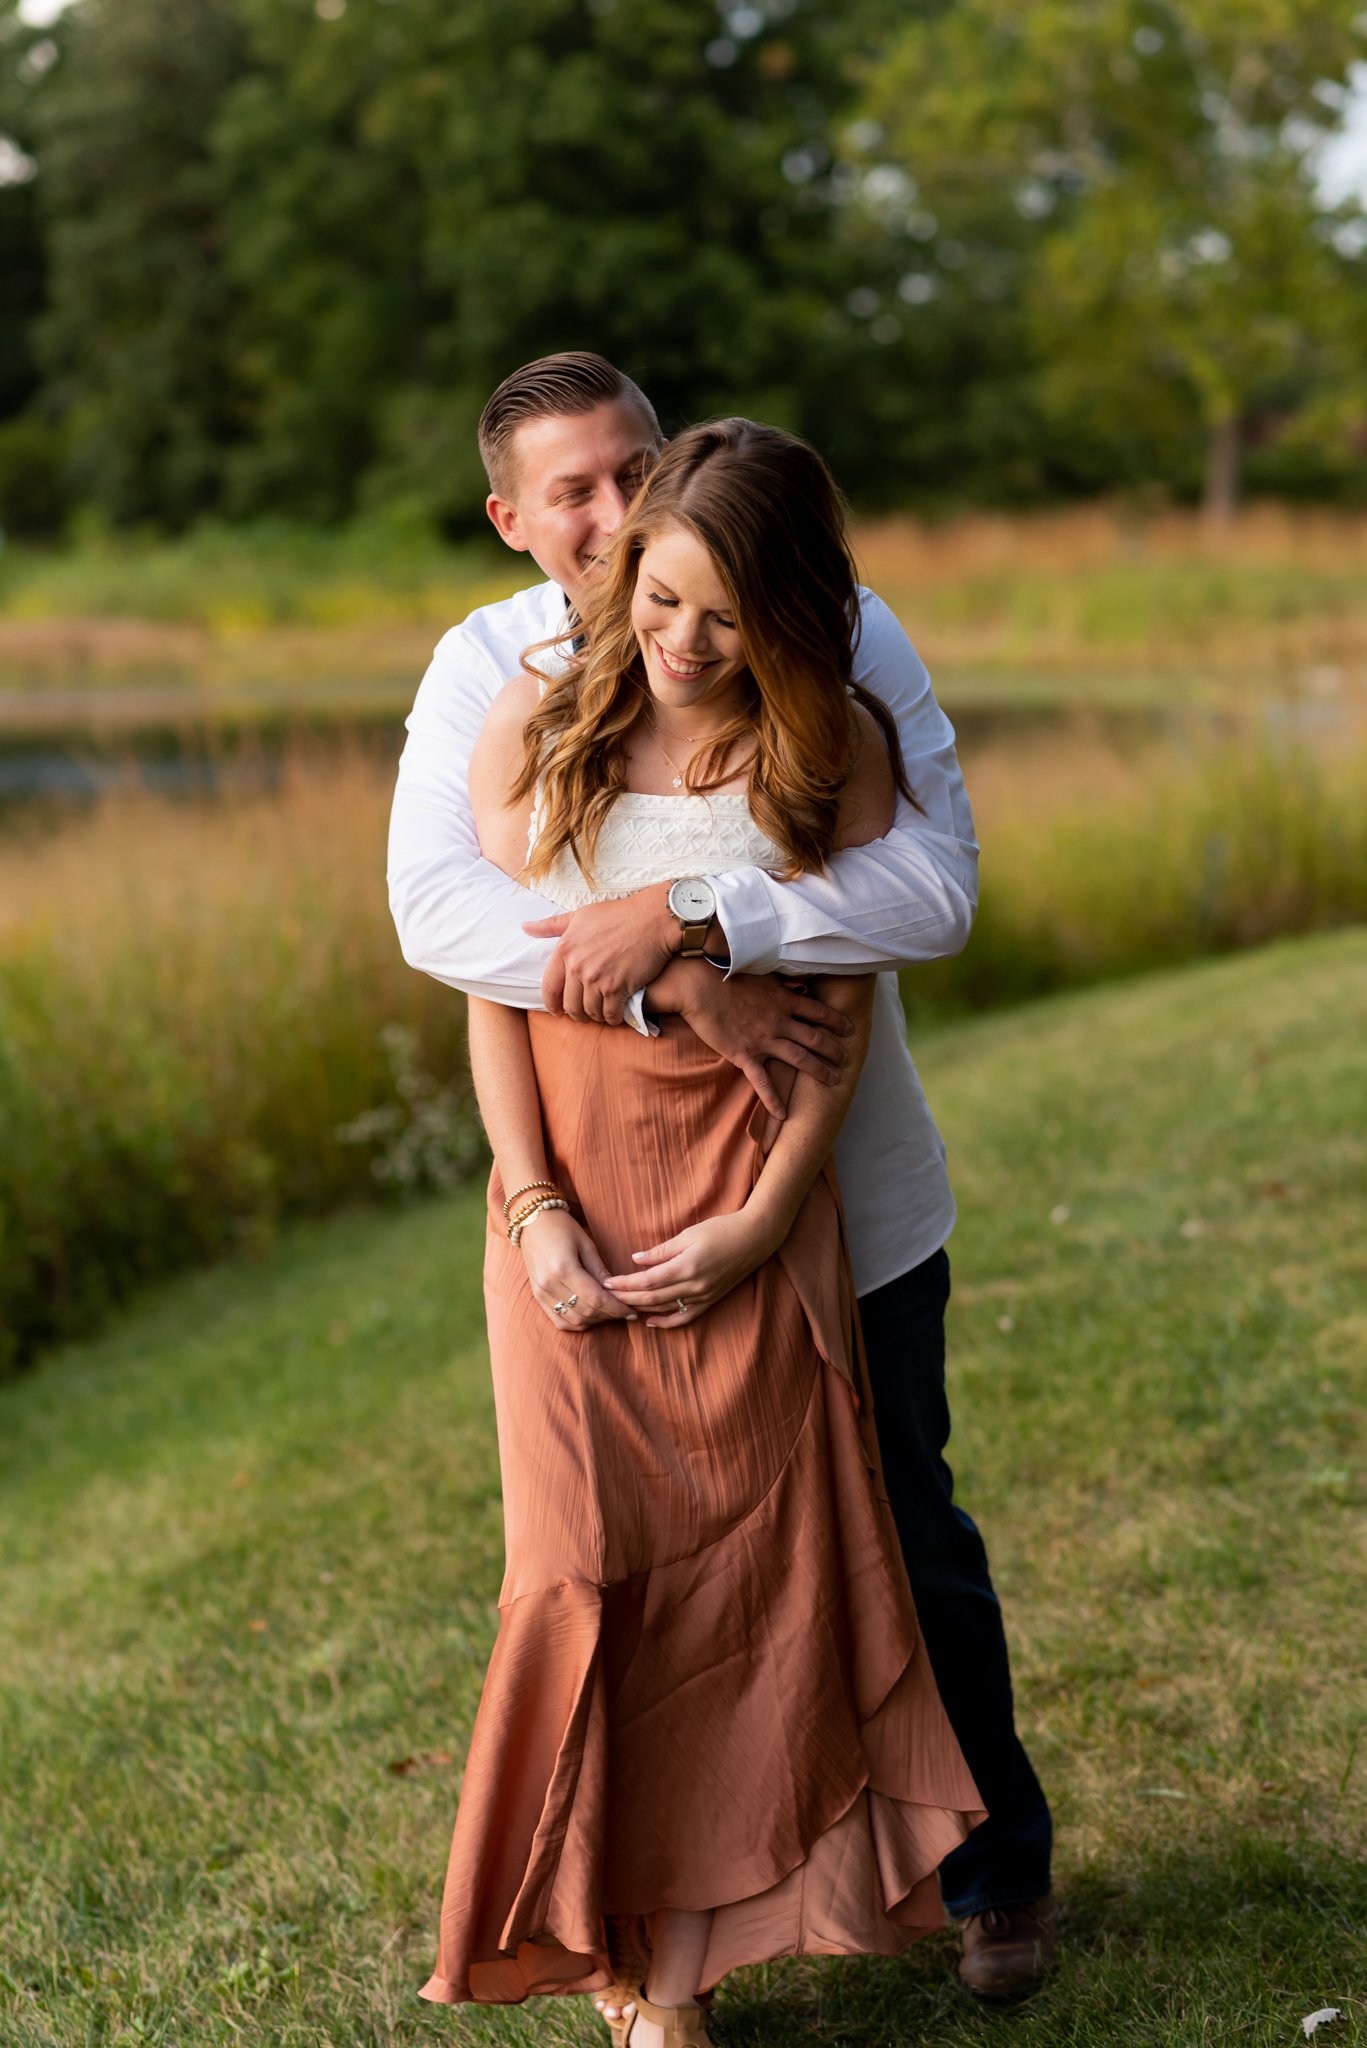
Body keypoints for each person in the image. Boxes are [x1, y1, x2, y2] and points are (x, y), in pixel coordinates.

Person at [388, 353, 1057, 2002]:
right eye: (577, 493)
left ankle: (990, 1876)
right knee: (603, 1574)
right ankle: (637, 1967)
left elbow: (933, 892)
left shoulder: (828, 633)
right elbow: (443, 923)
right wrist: (661, 982)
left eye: (639, 469)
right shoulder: (495, 680)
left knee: (900, 1535)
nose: (616, 520)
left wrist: (709, 918)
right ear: (511, 520)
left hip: (834, 1209)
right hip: (588, 1209)